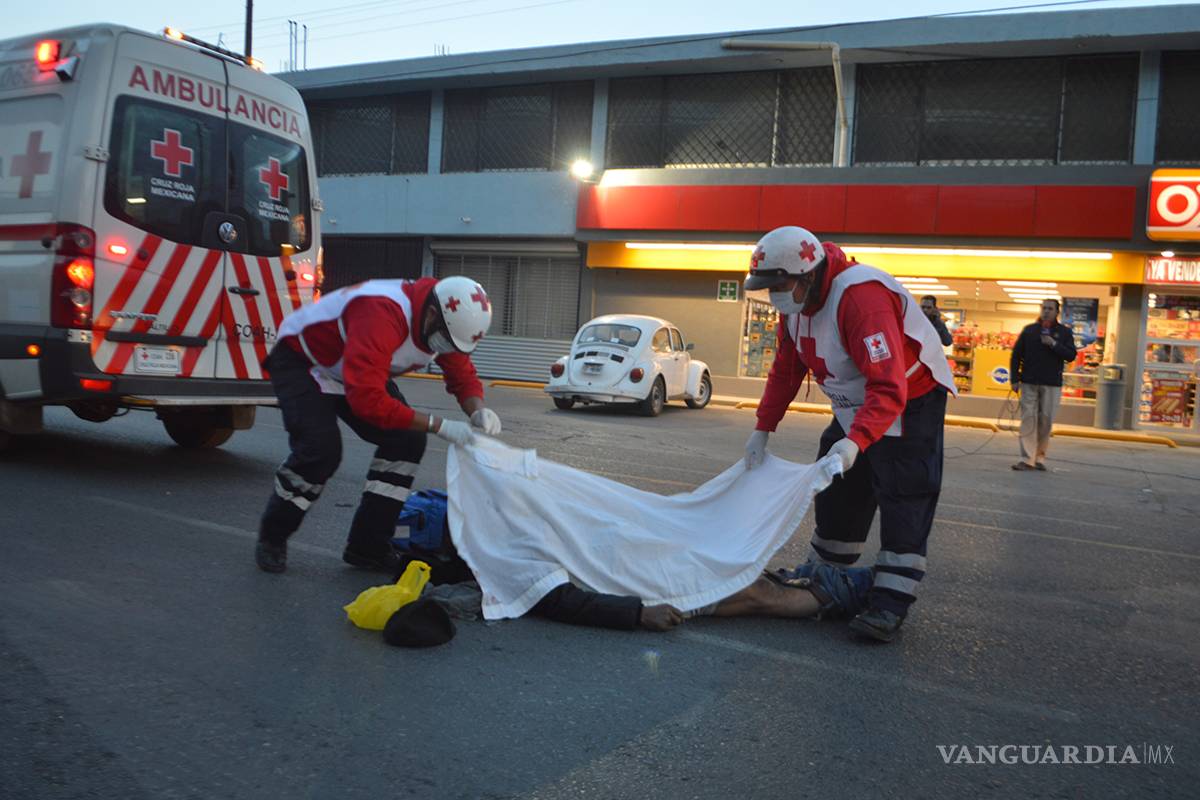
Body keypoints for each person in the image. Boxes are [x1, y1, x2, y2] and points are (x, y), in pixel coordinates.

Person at [741, 226, 957, 642]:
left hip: (910, 401)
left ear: (806, 274)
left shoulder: (860, 298)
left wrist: (857, 441)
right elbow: (786, 370)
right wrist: (762, 428)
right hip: (855, 403)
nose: (773, 296)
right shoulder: (797, 305)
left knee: (903, 493)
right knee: (838, 484)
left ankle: (889, 603)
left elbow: (889, 386)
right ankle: (827, 576)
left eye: (778, 285)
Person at [254, 275, 501, 575]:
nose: (445, 349)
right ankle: (273, 535)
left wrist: (478, 410)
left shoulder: (442, 321)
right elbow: (367, 401)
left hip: (355, 367)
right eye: (444, 341)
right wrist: (439, 425)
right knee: (320, 451)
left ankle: (368, 546)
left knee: (407, 441)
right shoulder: (382, 312)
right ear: (432, 314)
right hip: (305, 361)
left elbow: (460, 372)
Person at [1009, 298, 1078, 472]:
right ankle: (1027, 459)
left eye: (1050, 308)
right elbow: (1016, 355)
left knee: (1045, 421)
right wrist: (1014, 379)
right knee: (1028, 420)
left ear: (1057, 312)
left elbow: (1071, 355)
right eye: (1044, 308)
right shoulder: (1029, 331)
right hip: (1029, 382)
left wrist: (1053, 344)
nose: (1046, 311)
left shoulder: (1064, 333)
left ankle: (1039, 457)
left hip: (1052, 384)